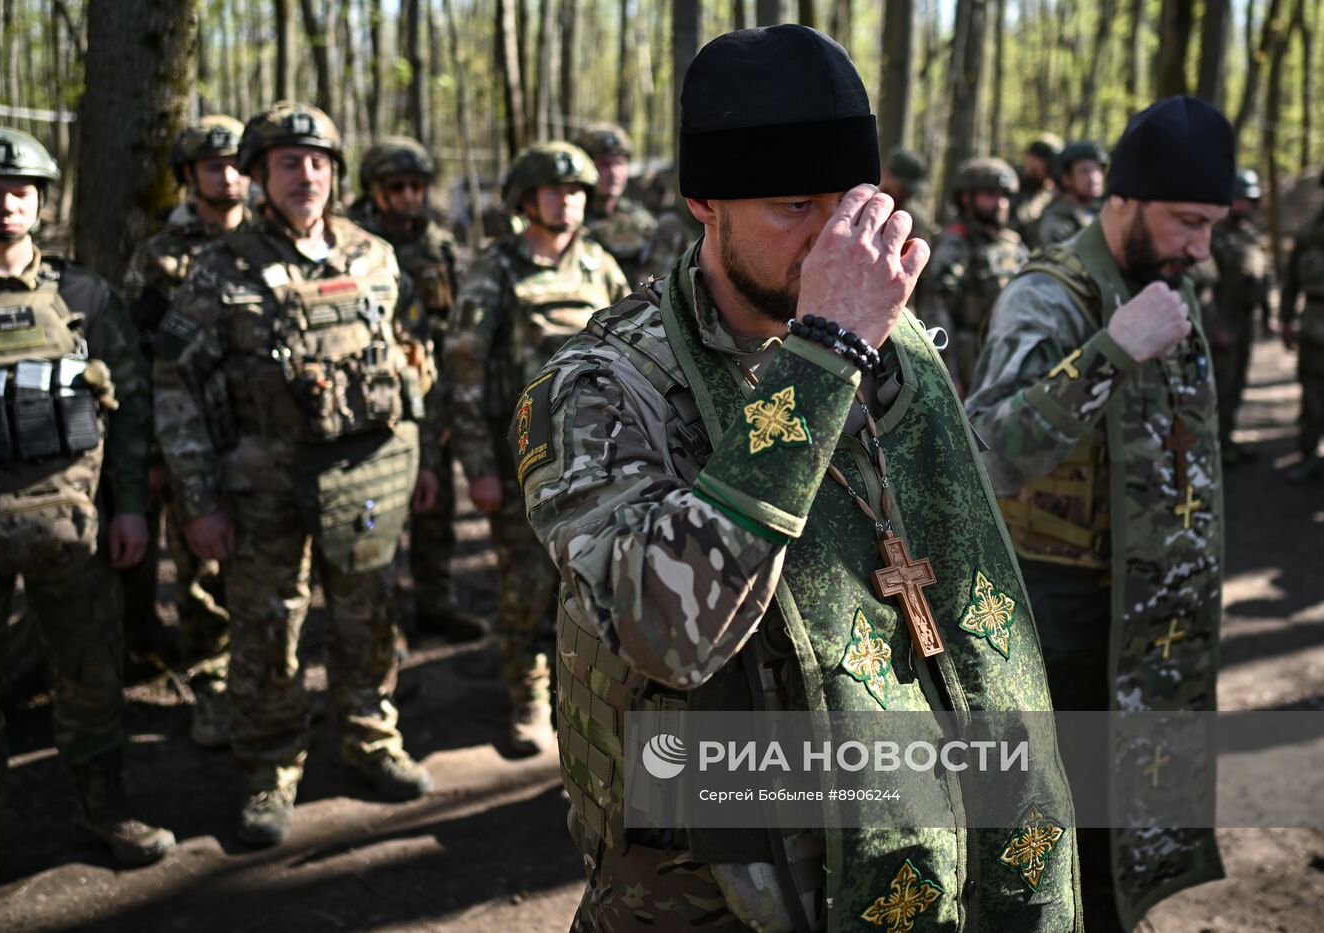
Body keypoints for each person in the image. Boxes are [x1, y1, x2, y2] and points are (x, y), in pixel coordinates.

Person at [520, 25, 1081, 931]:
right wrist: (825, 351)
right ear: (705, 201)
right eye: (793, 206)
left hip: (923, 850)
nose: (831, 243)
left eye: (848, 205)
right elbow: (665, 630)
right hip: (716, 888)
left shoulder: (892, 346)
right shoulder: (596, 386)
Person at [966, 95, 1234, 931]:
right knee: (1054, 832)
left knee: (1124, 823)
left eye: (1213, 224)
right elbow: (993, 446)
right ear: (1123, 197)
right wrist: (1111, 351)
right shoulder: (1048, 297)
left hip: (1143, 611)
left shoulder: (1163, 280)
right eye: (1188, 220)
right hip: (1063, 612)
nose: (1202, 245)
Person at [152, 102, 436, 848]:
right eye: (286, 162)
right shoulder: (217, 269)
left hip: (363, 478)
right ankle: (270, 769)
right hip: (261, 490)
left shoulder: (373, 254)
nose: (305, 175)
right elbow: (176, 389)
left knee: (367, 611)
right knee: (267, 626)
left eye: (316, 162)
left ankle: (372, 738)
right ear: (257, 177)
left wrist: (418, 458)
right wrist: (198, 502)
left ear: (334, 173)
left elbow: (407, 358)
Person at [0, 127, 173, 928]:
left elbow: (129, 414)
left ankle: (104, 809)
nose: (9, 202)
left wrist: (130, 506)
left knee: (92, 670)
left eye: (24, 189)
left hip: (76, 523)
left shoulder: (87, 297)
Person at [446, 142, 628, 756]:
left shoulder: (600, 266)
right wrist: (475, 466)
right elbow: (464, 369)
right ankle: (525, 695)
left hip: (597, 457)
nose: (566, 199)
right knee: (523, 583)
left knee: (587, 576)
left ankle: (577, 694)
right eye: (552, 190)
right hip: (520, 458)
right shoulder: (496, 268)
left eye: (576, 189)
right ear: (526, 200)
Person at [122, 115, 247, 746]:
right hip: (190, 438)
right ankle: (214, 688)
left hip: (259, 438)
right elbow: (143, 361)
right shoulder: (162, 258)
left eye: (235, 164)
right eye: (211, 166)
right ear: (188, 176)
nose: (226, 177)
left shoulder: (267, 240)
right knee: (199, 577)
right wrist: (152, 454)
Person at [349, 137, 487, 642]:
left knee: (436, 511)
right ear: (376, 191)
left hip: (432, 391)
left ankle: (436, 602)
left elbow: (458, 321)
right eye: (396, 187)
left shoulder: (440, 243)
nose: (408, 196)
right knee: (379, 518)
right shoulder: (355, 245)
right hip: (375, 398)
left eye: (416, 186)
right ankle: (386, 623)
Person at [920, 156, 1028, 394]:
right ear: (966, 199)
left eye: (1004, 195)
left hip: (1011, 357)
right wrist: (947, 372)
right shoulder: (955, 244)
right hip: (972, 366)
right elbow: (937, 311)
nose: (1000, 203)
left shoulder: (1012, 243)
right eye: (990, 194)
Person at [1203, 168, 1272, 465]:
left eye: (1248, 200)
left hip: (1245, 321)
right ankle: (1212, 447)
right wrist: (1215, 325)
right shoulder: (1209, 235)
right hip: (1222, 320)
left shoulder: (1250, 235)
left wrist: (1268, 317)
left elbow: (1263, 277)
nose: (1243, 206)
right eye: (1238, 199)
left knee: (1237, 382)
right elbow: (1205, 286)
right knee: (1219, 386)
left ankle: (1226, 438)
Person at [574, 122, 662, 288]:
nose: (614, 173)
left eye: (620, 163)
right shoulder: (569, 216)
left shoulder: (640, 219)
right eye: (605, 164)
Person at [1280, 171, 1324, 482]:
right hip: (1314, 324)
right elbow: (1291, 279)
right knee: (1311, 394)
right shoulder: (1309, 230)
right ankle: (1310, 456)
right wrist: (1284, 318)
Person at [1034, 140, 1107, 249]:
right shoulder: (1056, 219)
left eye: (1097, 169)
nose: (1094, 178)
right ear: (1066, 178)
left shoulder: (1105, 210)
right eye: (1084, 171)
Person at [1013, 132, 1063, 243]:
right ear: (1031, 158)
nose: (1047, 172)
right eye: (1046, 165)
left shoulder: (1049, 192)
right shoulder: (1011, 184)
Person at [879, 146, 934, 241]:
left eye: (912, 191)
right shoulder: (868, 206)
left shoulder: (914, 217)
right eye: (904, 189)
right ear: (887, 175)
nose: (908, 195)